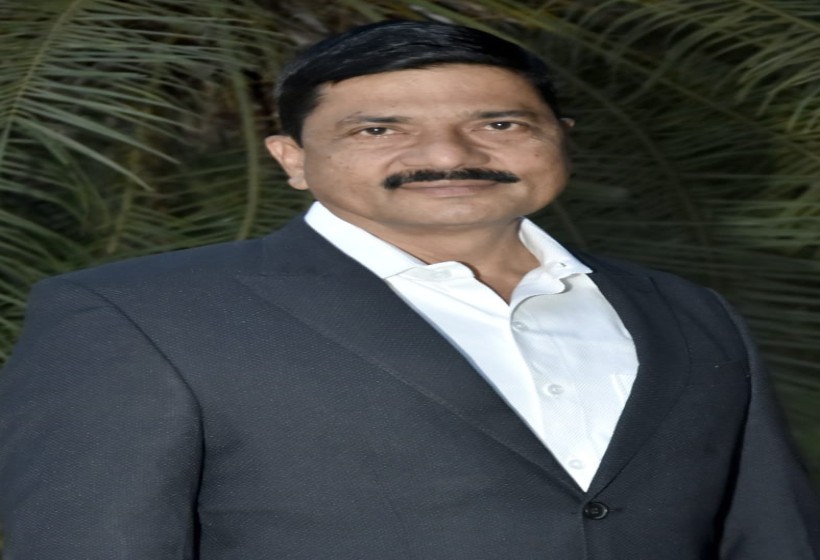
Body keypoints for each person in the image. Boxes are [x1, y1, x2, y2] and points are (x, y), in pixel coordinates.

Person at [0, 19, 818, 560]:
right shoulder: (138, 317)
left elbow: (770, 534)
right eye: (379, 129)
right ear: (291, 159)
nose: (450, 155)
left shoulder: (687, 313)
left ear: (559, 140)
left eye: (499, 124)